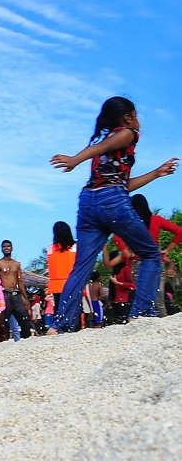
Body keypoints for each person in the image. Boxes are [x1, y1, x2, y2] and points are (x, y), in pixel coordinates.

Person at [49, 96, 178, 332]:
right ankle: (141, 312)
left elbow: (123, 184)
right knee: (150, 254)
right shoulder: (128, 133)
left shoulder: (107, 143)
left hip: (89, 202)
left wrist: (156, 173)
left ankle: (60, 325)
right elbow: (107, 166)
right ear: (127, 117)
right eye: (136, 115)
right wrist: (75, 159)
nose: (138, 120)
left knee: (81, 268)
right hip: (112, 202)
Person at [119, 194, 182, 317]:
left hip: (137, 262)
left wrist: (125, 250)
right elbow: (179, 232)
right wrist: (167, 250)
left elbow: (117, 236)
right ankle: (160, 321)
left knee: (142, 295)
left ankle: (139, 317)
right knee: (158, 297)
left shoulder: (131, 222)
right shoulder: (156, 220)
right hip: (155, 261)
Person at [0, 240, 32, 340]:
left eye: (8, 246)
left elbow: (20, 281)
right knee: (4, 322)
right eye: (4, 246)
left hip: (17, 294)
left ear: (12, 248)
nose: (6, 248)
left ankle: (27, 340)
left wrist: (25, 298)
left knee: (24, 319)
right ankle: (3, 342)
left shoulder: (16, 264)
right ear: (1, 249)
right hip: (4, 294)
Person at [46, 221, 76, 330]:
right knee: (73, 310)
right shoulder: (75, 247)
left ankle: (60, 330)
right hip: (72, 284)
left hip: (57, 286)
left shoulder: (50, 249)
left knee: (59, 311)